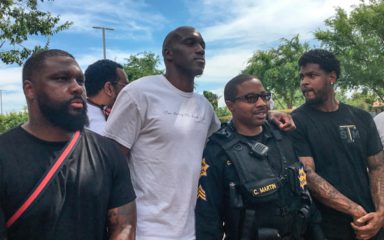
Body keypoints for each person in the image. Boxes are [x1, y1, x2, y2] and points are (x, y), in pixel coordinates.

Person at [104, 26, 295, 240]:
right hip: (148, 230)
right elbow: (111, 164)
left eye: (202, 45)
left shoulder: (203, 106)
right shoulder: (139, 94)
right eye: (190, 43)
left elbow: (231, 135)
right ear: (168, 53)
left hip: (194, 229)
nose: (200, 49)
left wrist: (267, 114)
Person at [0, 49, 136, 240]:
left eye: (80, 81)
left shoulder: (108, 153)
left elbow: (123, 228)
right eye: (61, 79)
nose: (77, 88)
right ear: (29, 90)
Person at [195, 74, 324, 240]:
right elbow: (208, 218)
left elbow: (304, 194)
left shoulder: (283, 135)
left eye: (264, 96)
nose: (262, 103)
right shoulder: (217, 150)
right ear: (230, 105)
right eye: (250, 98)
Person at [291, 49, 384, 240]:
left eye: (312, 75)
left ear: (331, 77)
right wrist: (354, 210)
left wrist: (381, 212)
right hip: (326, 226)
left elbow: (377, 166)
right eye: (302, 77)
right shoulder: (297, 122)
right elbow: (307, 174)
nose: (304, 82)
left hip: (372, 220)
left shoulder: (362, 117)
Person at [84, 59, 128, 135]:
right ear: (109, 88)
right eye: (125, 86)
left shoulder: (83, 113)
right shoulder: (99, 129)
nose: (127, 91)